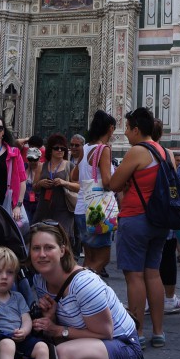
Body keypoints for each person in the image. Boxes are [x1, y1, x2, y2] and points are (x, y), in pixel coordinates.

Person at [29, 221, 142, 359]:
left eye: (49, 247)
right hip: (90, 344)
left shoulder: (83, 284)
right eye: (36, 248)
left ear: (62, 250)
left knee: (61, 356)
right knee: (50, 349)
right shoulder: (40, 281)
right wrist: (50, 318)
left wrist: (57, 329)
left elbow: (104, 334)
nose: (42, 254)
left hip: (122, 345)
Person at [107, 107, 169, 348]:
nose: (125, 133)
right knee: (153, 273)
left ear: (136, 129)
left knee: (134, 276)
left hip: (135, 218)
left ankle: (138, 332)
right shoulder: (166, 152)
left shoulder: (137, 152)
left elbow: (114, 184)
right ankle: (159, 331)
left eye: (127, 128)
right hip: (160, 222)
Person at [73, 110, 116, 279]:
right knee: (103, 258)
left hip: (81, 209)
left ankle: (81, 295)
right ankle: (79, 285)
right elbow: (107, 181)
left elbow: (73, 176)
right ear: (110, 128)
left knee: (89, 257)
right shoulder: (103, 149)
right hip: (97, 211)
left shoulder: (84, 148)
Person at [152, 119, 180, 316]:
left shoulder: (137, 153)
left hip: (145, 214)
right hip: (165, 212)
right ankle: (169, 299)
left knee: (149, 260)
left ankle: (148, 300)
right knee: (167, 257)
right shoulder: (168, 153)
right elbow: (172, 181)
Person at [32, 134, 76, 235]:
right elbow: (34, 188)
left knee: (61, 238)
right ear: (50, 150)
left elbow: (78, 187)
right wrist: (40, 183)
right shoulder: (41, 166)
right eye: (56, 148)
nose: (60, 150)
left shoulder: (70, 165)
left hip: (63, 209)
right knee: (41, 236)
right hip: (44, 208)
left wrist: (64, 182)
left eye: (62, 148)